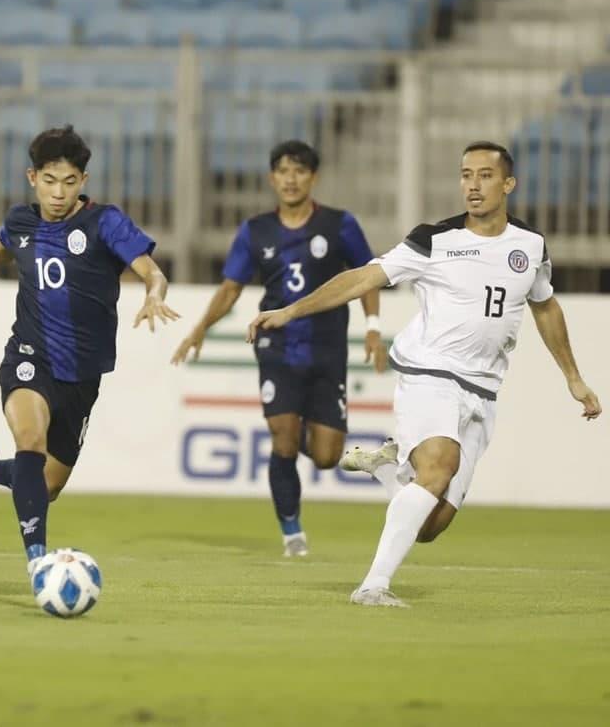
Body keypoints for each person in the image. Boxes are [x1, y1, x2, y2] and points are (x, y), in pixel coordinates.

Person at [248, 141, 602, 606]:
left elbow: (545, 306)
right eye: (466, 175)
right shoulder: (433, 240)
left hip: (483, 392)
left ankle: (386, 469)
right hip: (430, 375)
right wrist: (291, 310)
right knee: (438, 466)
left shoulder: (530, 246)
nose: (473, 185)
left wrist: (572, 376)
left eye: (485, 175)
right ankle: (372, 587)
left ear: (508, 184)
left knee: (430, 525)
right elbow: (362, 277)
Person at [0, 125, 178, 584]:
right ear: (33, 178)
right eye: (49, 181)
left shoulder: (105, 223)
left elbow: (152, 271)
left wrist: (154, 292)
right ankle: (38, 564)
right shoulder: (21, 222)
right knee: (29, 440)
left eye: (69, 182)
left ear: (83, 181)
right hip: (29, 358)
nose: (58, 192)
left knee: (45, 485)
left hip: (82, 375)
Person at [171, 140, 386, 557]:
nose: (291, 179)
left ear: (313, 177)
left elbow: (368, 277)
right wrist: (200, 329)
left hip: (327, 349)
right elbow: (231, 288)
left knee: (326, 456)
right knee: (284, 441)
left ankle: (296, 430)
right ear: (272, 178)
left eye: (299, 171)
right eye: (283, 171)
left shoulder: (340, 225)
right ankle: (292, 534)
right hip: (276, 345)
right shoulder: (256, 231)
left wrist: (373, 327)